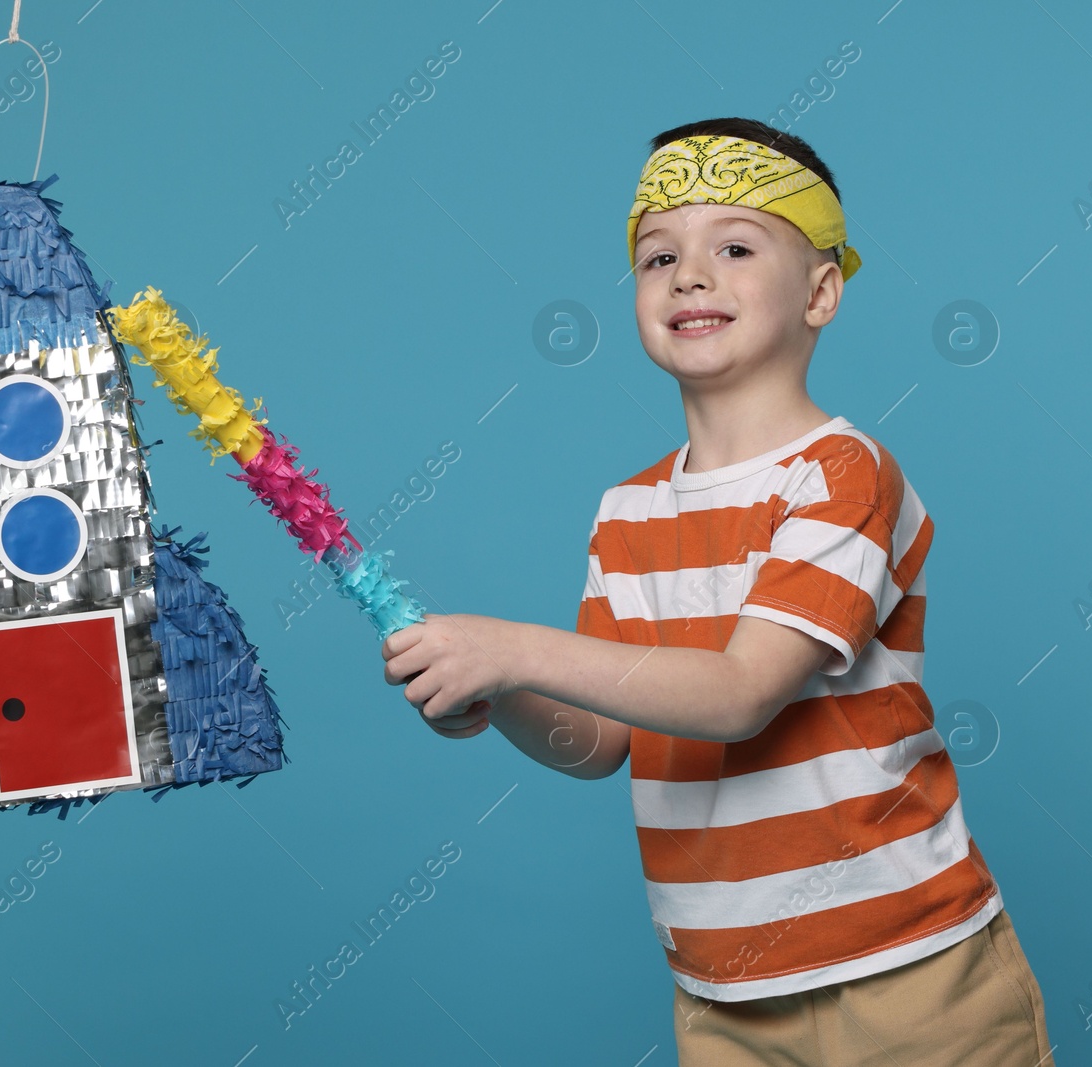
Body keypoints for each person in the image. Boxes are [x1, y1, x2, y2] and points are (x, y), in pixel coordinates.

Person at [380, 116, 1056, 1066]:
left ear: (822, 291)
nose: (689, 276)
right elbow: (599, 743)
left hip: (907, 969)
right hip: (722, 992)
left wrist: (512, 647)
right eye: (658, 257)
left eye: (734, 246)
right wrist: (497, 699)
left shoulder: (842, 473)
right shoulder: (627, 510)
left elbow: (740, 693)